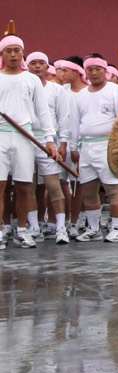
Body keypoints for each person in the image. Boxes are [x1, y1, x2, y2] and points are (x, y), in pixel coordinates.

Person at [0, 34, 57, 250]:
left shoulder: (31, 80)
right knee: (1, 185)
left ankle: (22, 230)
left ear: (23, 53)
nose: (13, 54)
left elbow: (43, 113)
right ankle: (1, 229)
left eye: (17, 50)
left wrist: (50, 140)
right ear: (2, 54)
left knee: (25, 186)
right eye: (8, 51)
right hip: (1, 135)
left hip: (25, 136)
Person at [71, 54, 118, 242]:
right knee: (89, 190)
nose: (94, 73)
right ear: (85, 72)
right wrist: (74, 147)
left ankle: (117, 228)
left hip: (108, 145)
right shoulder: (80, 96)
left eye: (98, 69)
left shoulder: (116, 91)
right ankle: (94, 229)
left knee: (113, 189)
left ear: (105, 71)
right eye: (90, 69)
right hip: (87, 147)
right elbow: (74, 123)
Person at [24, 51, 71, 243]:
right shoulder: (23, 86)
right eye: (33, 63)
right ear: (27, 66)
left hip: (48, 140)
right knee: (28, 186)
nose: (37, 66)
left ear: (46, 67)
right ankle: (34, 226)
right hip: (25, 138)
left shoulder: (56, 90)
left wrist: (62, 143)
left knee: (53, 185)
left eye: (41, 63)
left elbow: (64, 117)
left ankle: (60, 227)